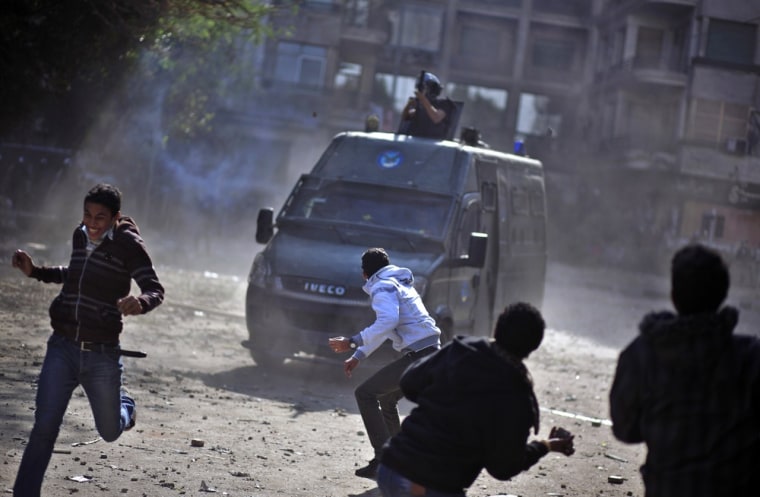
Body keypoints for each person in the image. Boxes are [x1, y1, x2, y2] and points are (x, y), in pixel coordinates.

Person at [12, 183, 165, 497]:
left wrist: (141, 302)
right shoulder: (80, 235)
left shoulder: (128, 245)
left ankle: (125, 404)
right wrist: (36, 271)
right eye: (87, 214)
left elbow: (154, 289)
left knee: (109, 432)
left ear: (114, 217)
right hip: (62, 348)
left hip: (101, 355)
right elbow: (75, 272)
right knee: (44, 429)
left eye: (100, 217)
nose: (92, 223)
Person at [377, 302, 575, 497]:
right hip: (435, 485)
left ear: (497, 327)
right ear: (533, 346)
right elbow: (503, 468)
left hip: (391, 468)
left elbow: (409, 383)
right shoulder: (517, 395)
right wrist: (544, 445)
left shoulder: (461, 350)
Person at [609, 243, 760, 497]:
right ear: (723, 293)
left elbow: (625, 430)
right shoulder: (750, 358)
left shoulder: (641, 354)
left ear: (674, 295)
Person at [328, 247, 441, 480]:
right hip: (431, 352)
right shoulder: (399, 284)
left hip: (419, 355)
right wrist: (358, 355)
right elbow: (385, 329)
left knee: (365, 394)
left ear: (364, 274)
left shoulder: (382, 287)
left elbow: (388, 321)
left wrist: (351, 342)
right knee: (387, 399)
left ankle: (383, 460)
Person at [399, 71, 456, 139]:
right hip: (415, 142)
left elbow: (436, 118)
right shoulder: (420, 107)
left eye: (425, 88)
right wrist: (409, 105)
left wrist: (422, 99)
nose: (422, 91)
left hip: (434, 146)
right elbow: (405, 118)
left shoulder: (445, 104)